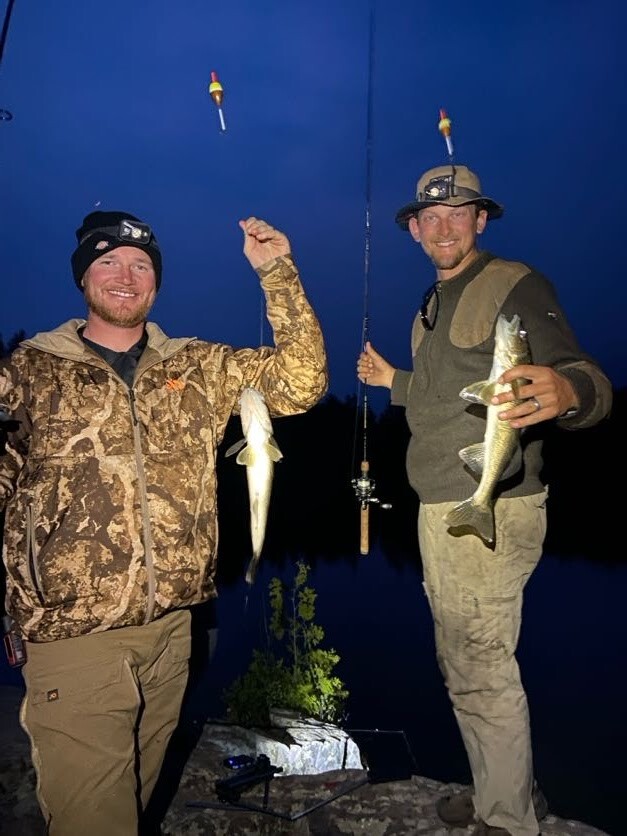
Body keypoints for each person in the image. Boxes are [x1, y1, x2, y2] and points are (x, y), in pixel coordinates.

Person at [0, 210, 328, 835]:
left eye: (141, 265)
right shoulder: (29, 371)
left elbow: (301, 382)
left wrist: (277, 275)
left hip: (174, 633)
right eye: (108, 262)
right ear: (83, 278)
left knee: (135, 803)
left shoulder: (198, 366)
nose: (125, 276)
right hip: (73, 636)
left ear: (157, 282)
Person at [357, 164, 612, 836]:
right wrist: (391, 380)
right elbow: (445, 394)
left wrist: (570, 392)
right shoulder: (432, 305)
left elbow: (582, 373)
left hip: (489, 503)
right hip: (444, 508)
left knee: (478, 667)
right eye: (430, 217)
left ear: (480, 220)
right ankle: (504, 789)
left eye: (458, 214)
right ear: (414, 229)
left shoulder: (514, 283)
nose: (443, 227)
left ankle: (507, 820)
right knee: (464, 659)